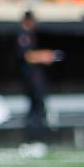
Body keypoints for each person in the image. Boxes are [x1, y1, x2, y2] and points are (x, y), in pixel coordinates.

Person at [16, 12, 59, 155]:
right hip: (31, 78)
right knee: (36, 110)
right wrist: (44, 55)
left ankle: (35, 140)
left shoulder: (29, 35)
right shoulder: (23, 35)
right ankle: (33, 140)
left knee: (38, 108)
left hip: (33, 78)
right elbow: (27, 56)